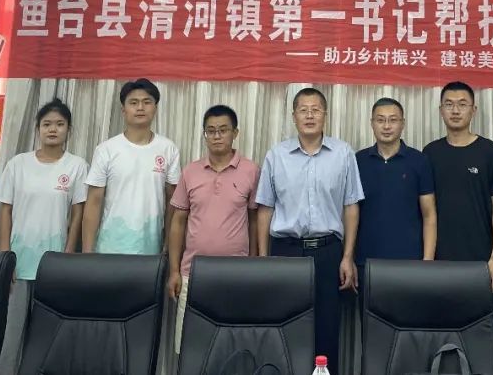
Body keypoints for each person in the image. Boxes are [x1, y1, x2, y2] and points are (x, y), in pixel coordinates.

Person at [256, 87, 363, 369]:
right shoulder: (277, 155)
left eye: (315, 110)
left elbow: (351, 206)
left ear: (325, 114)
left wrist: (348, 257)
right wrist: (264, 259)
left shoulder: (343, 153)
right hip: (286, 252)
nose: (310, 115)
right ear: (293, 116)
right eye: (303, 110)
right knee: (284, 327)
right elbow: (265, 209)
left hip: (328, 252)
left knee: (327, 330)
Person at [0, 97, 88, 375]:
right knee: (11, 333)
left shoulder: (76, 166)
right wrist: (5, 257)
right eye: (47, 124)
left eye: (59, 124)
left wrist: (68, 254)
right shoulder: (18, 164)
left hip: (53, 264)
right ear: (38, 129)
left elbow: (78, 215)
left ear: (69, 129)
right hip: (19, 263)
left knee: (47, 333)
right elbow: (5, 211)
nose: (53, 129)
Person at [422, 82, 493, 357]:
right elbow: (426, 211)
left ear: (474, 110)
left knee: (484, 341)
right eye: (449, 104)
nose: (455, 110)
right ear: (440, 110)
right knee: (441, 339)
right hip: (441, 264)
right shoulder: (430, 153)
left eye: (462, 104)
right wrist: (427, 261)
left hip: (481, 264)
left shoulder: (489, 151)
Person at [167, 104, 260, 355]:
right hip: (192, 273)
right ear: (204, 134)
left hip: (236, 272)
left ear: (235, 133)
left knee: (232, 345)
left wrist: (254, 264)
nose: (217, 136)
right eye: (211, 131)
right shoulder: (191, 171)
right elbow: (178, 221)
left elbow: (255, 220)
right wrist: (174, 270)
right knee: (189, 346)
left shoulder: (251, 171)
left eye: (223, 130)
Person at [82, 78, 181, 254]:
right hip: (109, 248)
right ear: (123, 110)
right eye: (133, 103)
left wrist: (167, 244)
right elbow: (94, 202)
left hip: (151, 250)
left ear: (155, 108)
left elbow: (172, 200)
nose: (140, 107)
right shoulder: (106, 150)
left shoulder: (168, 149)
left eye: (147, 102)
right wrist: (87, 252)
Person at [355, 97, 436, 269]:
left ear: (402, 123)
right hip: (366, 261)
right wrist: (348, 258)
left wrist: (428, 261)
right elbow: (350, 214)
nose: (386, 126)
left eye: (393, 120)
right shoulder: (358, 161)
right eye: (380, 120)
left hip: (410, 262)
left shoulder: (419, 161)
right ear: (372, 123)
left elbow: (429, 215)